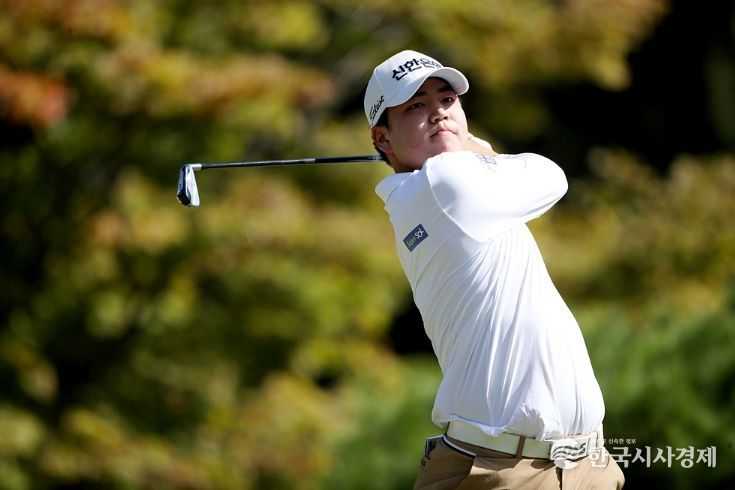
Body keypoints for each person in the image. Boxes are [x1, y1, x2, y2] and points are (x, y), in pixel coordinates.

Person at [363, 50, 625, 489]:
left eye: (446, 100)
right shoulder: (445, 184)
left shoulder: (437, 188)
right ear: (382, 139)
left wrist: (476, 159)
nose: (438, 113)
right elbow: (553, 176)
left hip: (583, 465)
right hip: (504, 470)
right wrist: (483, 152)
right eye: (415, 106)